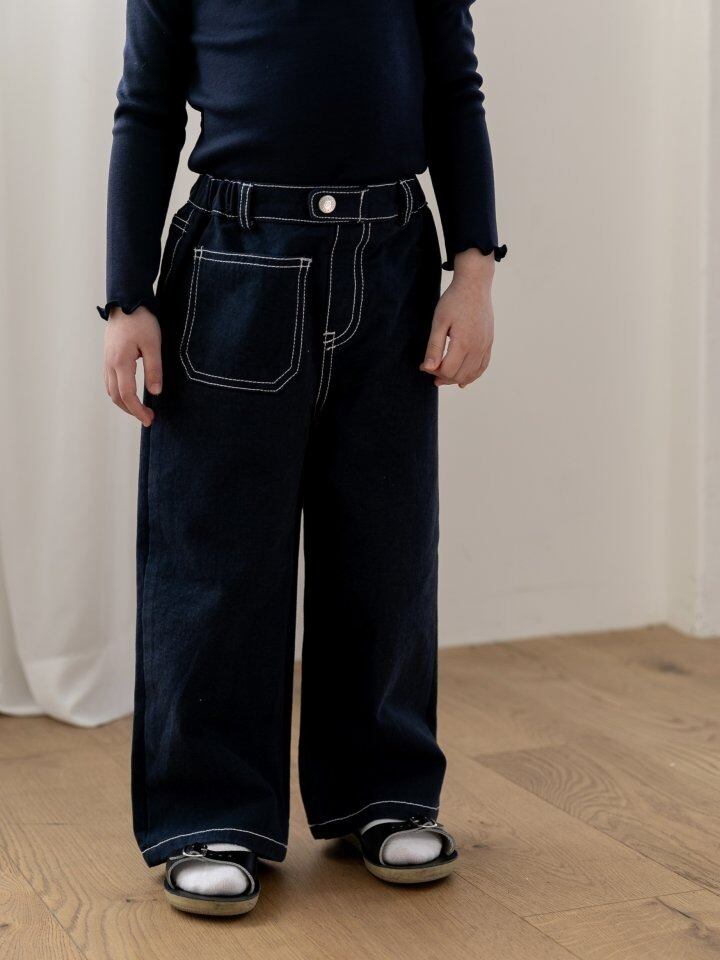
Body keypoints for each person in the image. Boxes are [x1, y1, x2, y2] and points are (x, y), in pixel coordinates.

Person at [100, 0, 505, 917]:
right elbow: (147, 105)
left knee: (386, 545)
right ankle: (210, 812)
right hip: (233, 264)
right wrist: (127, 298)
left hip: (393, 263)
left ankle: (382, 789)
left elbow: (455, 89)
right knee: (216, 557)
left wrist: (474, 271)